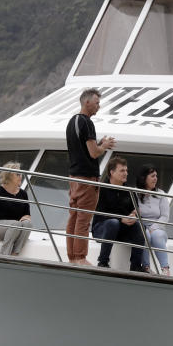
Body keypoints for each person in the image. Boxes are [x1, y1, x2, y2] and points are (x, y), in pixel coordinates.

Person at [66, 88, 116, 265]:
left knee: (73, 216)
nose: (98, 107)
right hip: (87, 179)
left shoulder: (72, 121)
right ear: (86, 102)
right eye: (96, 103)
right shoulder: (87, 123)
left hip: (74, 177)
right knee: (83, 219)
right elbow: (93, 153)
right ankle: (80, 257)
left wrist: (99, 144)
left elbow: (83, 149)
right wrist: (105, 145)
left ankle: (72, 256)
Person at [91, 157, 145, 271]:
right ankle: (103, 262)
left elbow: (136, 210)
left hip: (121, 229)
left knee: (139, 226)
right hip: (102, 228)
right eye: (122, 170)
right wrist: (121, 219)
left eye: (126, 170)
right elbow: (100, 214)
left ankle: (136, 266)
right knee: (113, 223)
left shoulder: (129, 191)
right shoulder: (101, 189)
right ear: (112, 172)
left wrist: (134, 216)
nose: (126, 173)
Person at [135, 164, 170, 275]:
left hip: (157, 227)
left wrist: (153, 227)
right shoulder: (134, 192)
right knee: (145, 235)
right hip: (140, 225)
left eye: (156, 176)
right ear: (143, 178)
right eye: (152, 176)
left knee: (157, 235)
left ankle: (165, 269)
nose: (155, 178)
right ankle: (146, 267)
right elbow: (133, 213)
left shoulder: (161, 194)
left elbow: (165, 216)